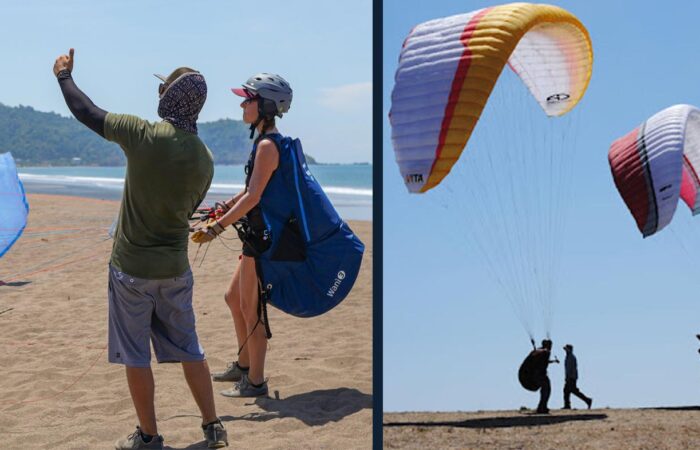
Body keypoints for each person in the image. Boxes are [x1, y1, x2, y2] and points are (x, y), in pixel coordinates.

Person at [53, 49, 227, 449]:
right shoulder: (205, 159)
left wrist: (63, 76)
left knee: (135, 355)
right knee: (190, 348)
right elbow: (188, 209)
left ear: (169, 97)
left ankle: (148, 436)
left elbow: (88, 112)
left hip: (131, 271)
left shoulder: (143, 134)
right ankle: (213, 426)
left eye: (163, 87)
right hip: (176, 269)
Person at [192, 73, 294, 398]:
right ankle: (244, 363)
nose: (242, 104)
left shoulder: (267, 146)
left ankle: (256, 382)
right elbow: (250, 191)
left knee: (252, 309)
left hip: (261, 240)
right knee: (232, 298)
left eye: (247, 99)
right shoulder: (263, 143)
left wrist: (217, 228)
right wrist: (220, 210)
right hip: (255, 235)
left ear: (263, 105)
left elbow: (253, 198)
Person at [530, 339, 559, 414]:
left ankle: (542, 407)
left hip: (539, 375)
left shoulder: (541, 351)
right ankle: (542, 407)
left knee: (545, 391)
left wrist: (554, 361)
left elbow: (545, 361)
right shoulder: (544, 351)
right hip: (540, 375)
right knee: (546, 390)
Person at [562, 344, 593, 409]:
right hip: (570, 377)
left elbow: (572, 368)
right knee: (566, 391)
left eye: (566, 349)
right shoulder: (568, 357)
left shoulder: (571, 357)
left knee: (573, 391)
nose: (565, 350)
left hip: (571, 377)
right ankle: (567, 405)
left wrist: (569, 377)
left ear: (569, 349)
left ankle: (587, 400)